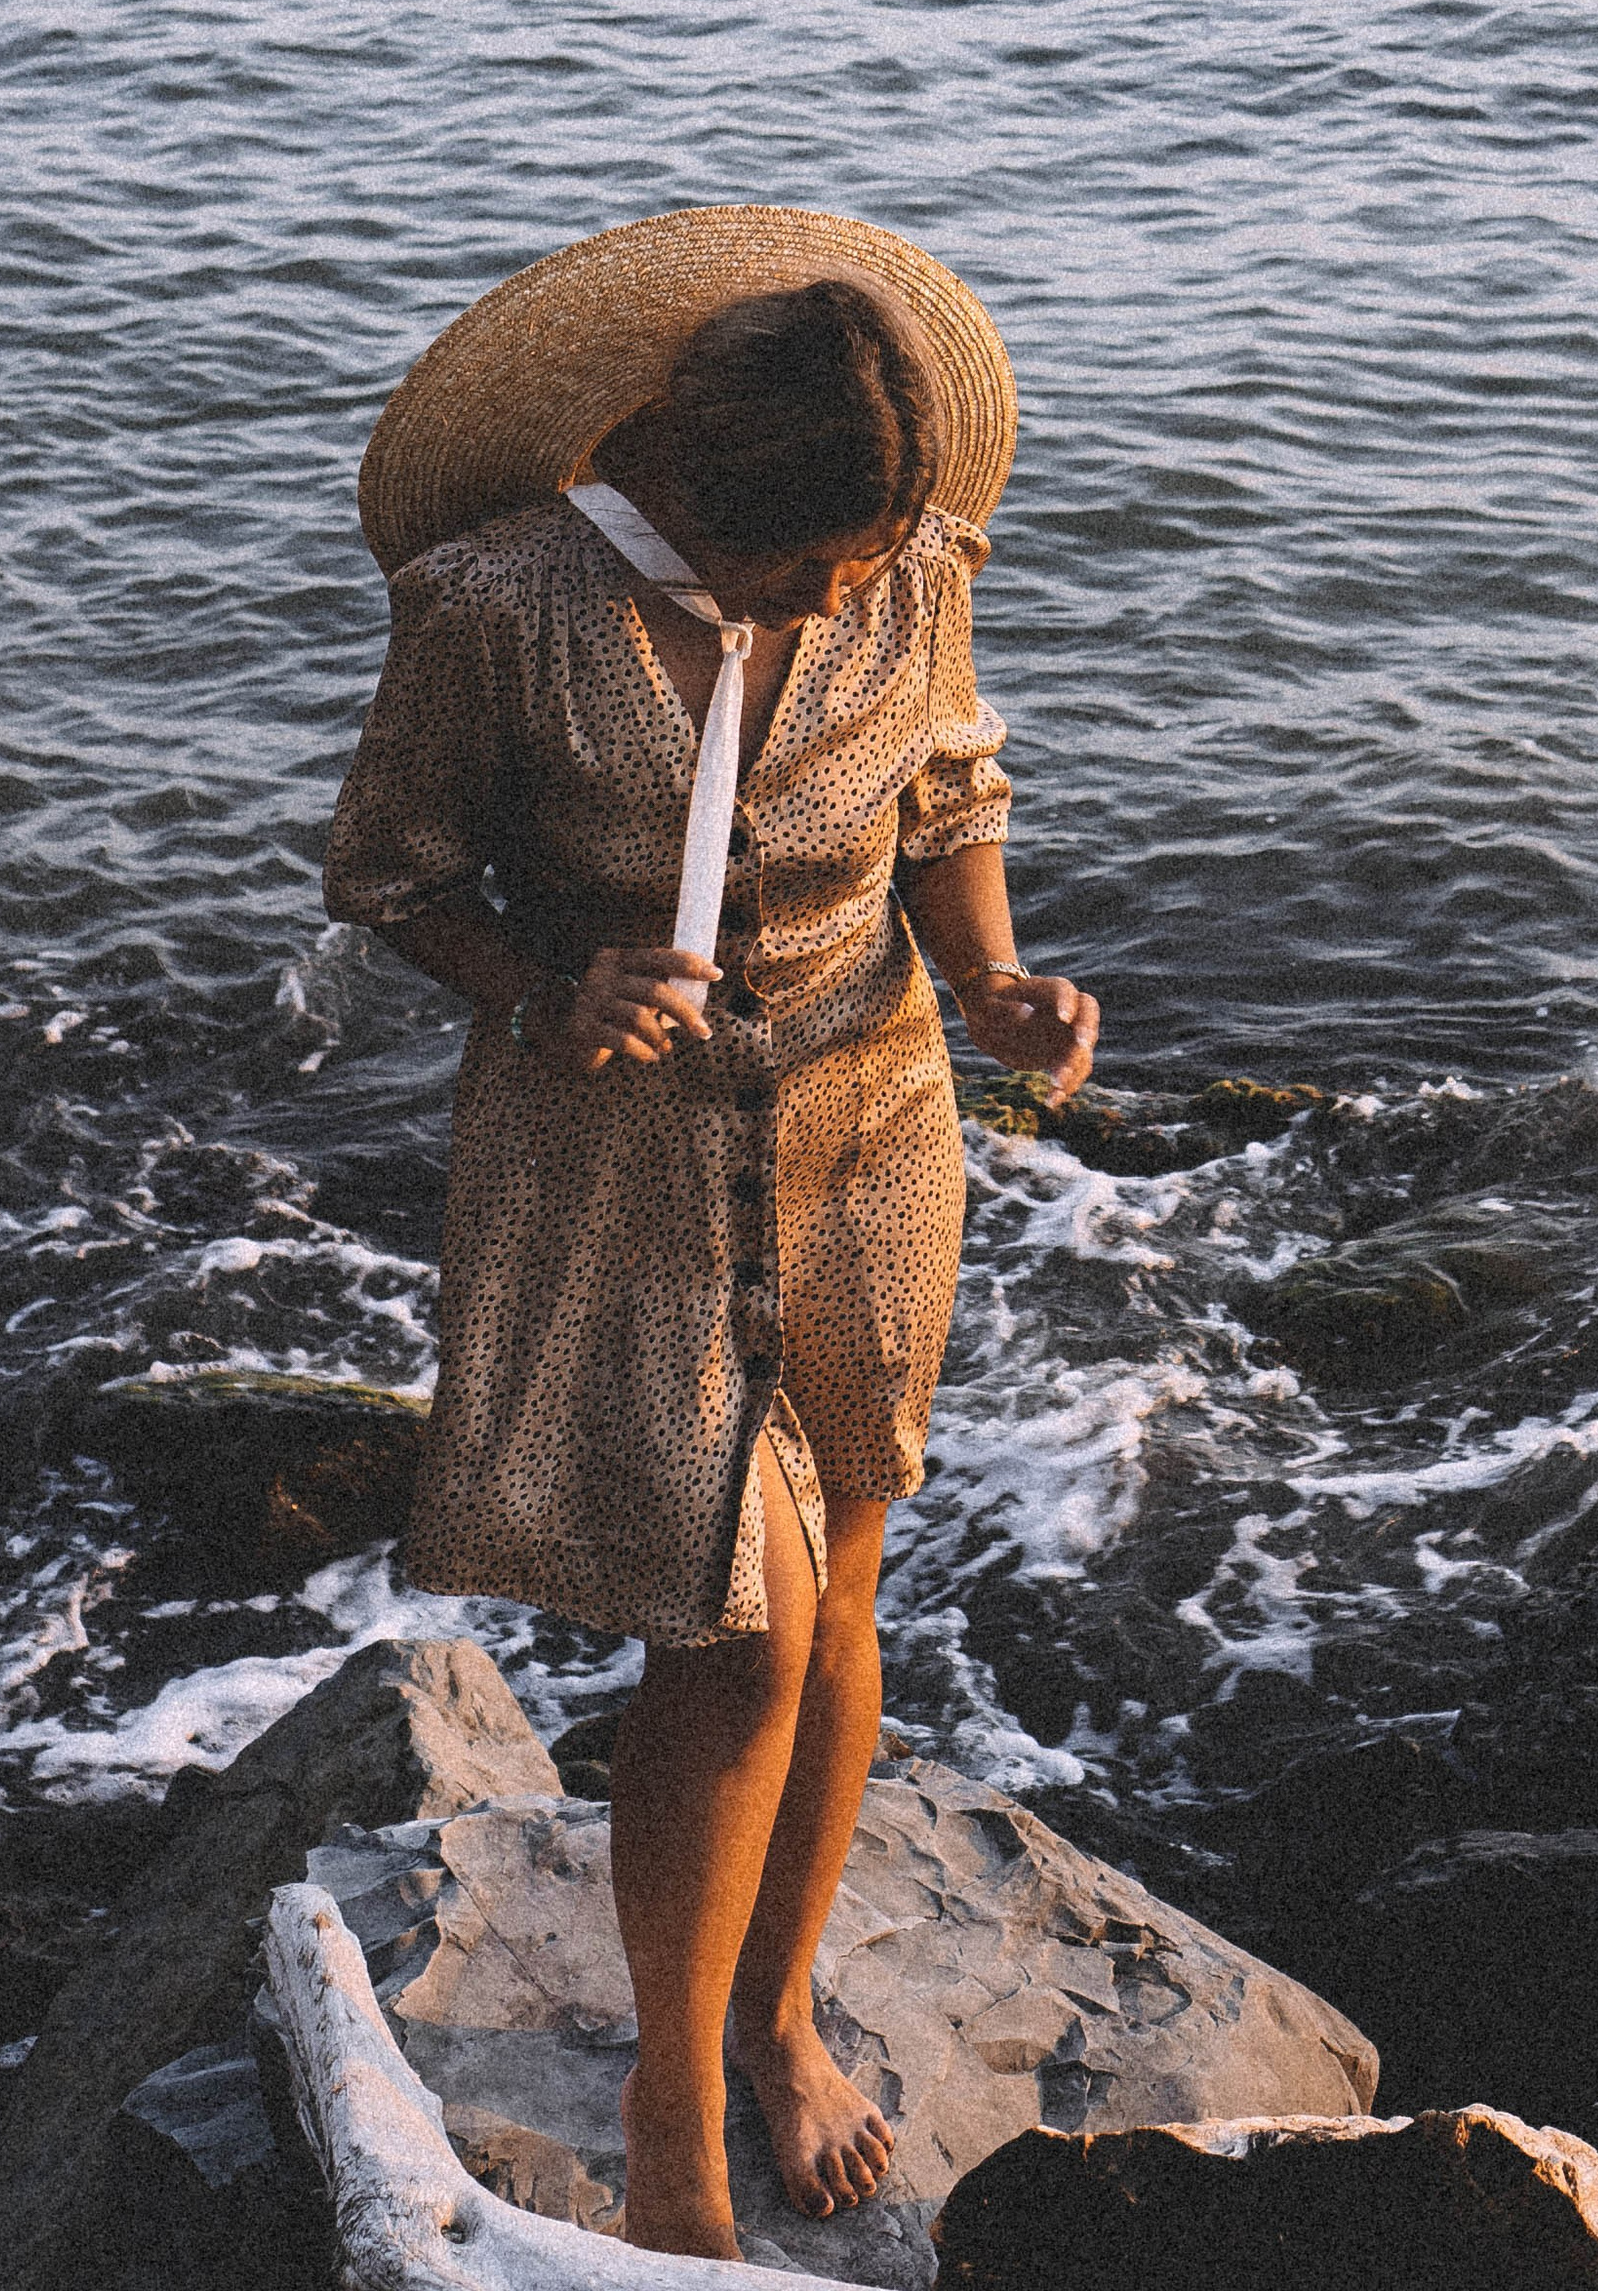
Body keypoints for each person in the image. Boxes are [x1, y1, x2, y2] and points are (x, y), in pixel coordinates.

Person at [323, 210, 1099, 2262]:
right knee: (733, 1629)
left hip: (869, 1116)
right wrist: (540, 987)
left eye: (872, 560)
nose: (854, 593)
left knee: (843, 1595)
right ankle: (671, 2092)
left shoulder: (905, 563)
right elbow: (389, 873)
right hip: (615, 1147)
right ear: (695, 487)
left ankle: (777, 2018)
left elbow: (948, 789)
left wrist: (998, 985)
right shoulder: (497, 607)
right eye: (813, 566)